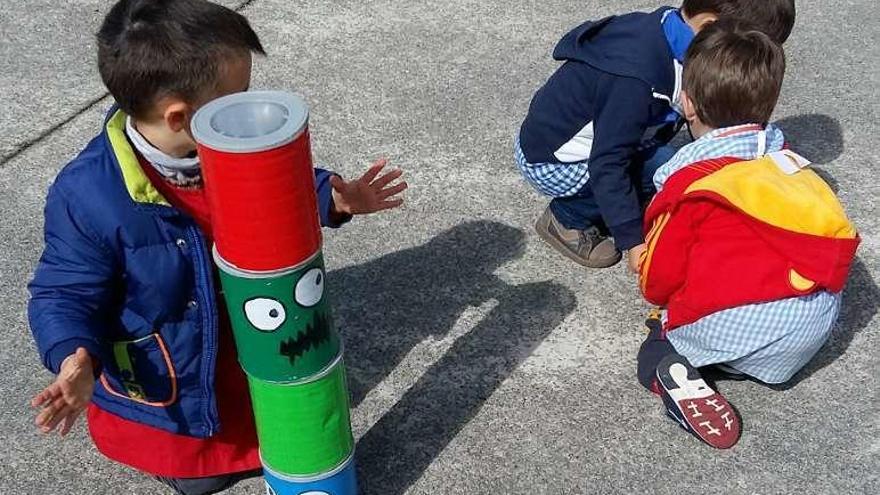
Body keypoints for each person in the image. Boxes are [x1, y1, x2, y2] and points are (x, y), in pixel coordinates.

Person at [26, 1, 407, 493]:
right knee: (204, 468)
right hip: (177, 371)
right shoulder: (89, 195)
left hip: (246, 339)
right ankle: (195, 460)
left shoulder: (221, 146)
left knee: (291, 423)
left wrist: (331, 197)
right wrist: (72, 354)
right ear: (181, 117)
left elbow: (276, 184)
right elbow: (64, 290)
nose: (249, 108)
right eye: (237, 98)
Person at [635, 20, 859, 449]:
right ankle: (740, 364)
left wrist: (645, 267)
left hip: (738, 332)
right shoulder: (789, 165)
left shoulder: (687, 185)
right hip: (807, 336)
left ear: (688, 104)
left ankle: (680, 375)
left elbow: (659, 279)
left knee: (657, 342)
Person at [515, 0, 795, 269]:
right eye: (745, 53)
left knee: (671, 166)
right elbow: (608, 163)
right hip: (555, 159)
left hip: (607, 141)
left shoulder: (677, 38)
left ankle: (626, 201)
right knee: (662, 166)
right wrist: (632, 239)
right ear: (709, 24)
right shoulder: (635, 80)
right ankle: (566, 217)